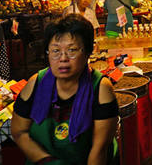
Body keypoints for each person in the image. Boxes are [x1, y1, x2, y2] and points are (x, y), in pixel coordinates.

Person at [11, 14, 118, 164]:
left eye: (72, 50)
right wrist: (48, 162)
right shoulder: (36, 83)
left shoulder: (101, 89)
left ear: (88, 51)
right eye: (55, 51)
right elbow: (18, 131)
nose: (63, 58)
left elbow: (99, 150)